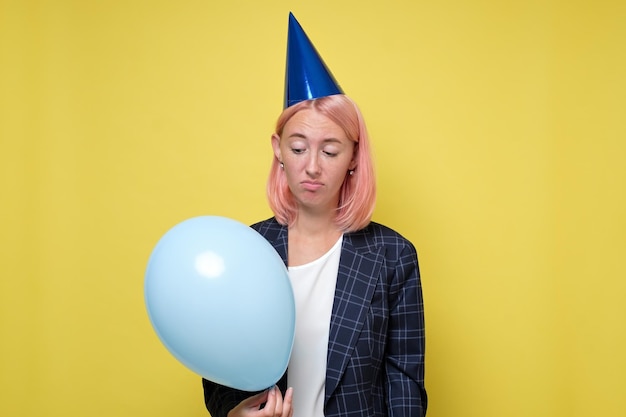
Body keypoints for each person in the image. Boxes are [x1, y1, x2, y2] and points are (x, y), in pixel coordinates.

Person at [202, 13, 427, 417]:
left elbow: (405, 386)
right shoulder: (249, 249)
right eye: (299, 146)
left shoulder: (393, 256)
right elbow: (220, 370)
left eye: (330, 150)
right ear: (278, 149)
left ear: (354, 156)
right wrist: (234, 414)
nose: (312, 166)